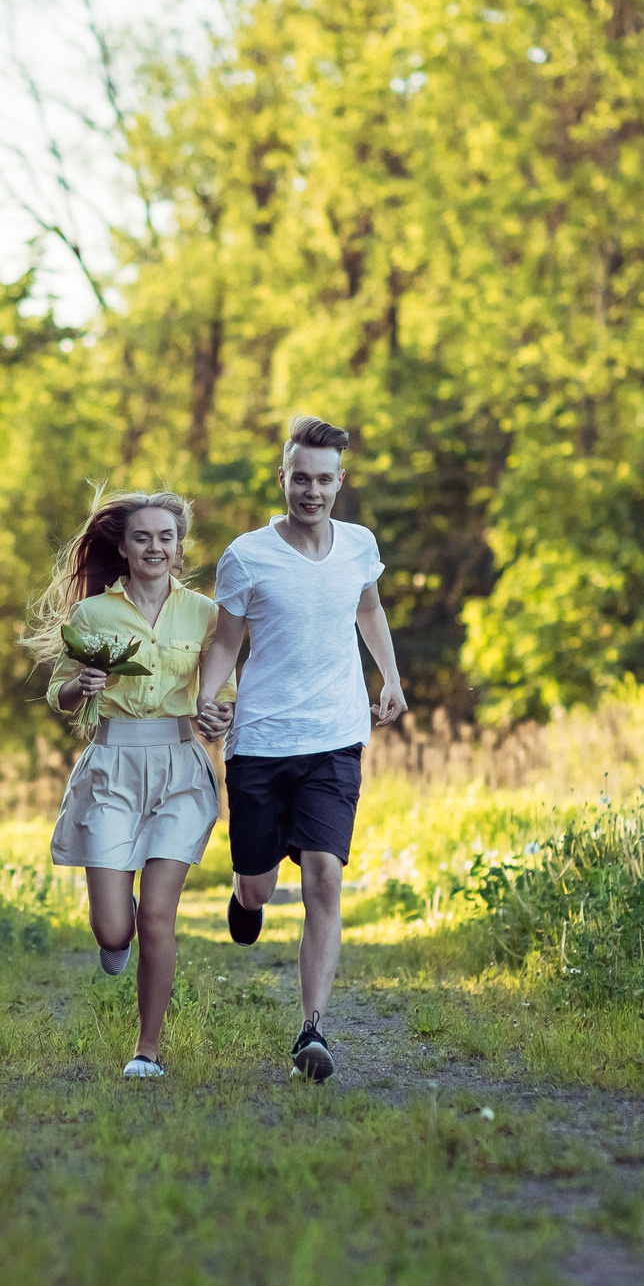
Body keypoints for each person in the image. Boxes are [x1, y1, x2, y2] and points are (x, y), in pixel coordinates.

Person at [194, 415, 406, 1083]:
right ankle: (246, 891)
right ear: (282, 477)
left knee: (324, 875)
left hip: (334, 738)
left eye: (323, 479)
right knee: (261, 886)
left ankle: (311, 1029)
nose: (310, 490)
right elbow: (227, 638)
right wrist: (208, 692)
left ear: (339, 482)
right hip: (259, 742)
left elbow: (368, 608)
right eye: (299, 478)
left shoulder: (359, 546)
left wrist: (392, 678)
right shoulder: (247, 555)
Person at [30, 491, 235, 1080]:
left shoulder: (205, 614)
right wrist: (82, 686)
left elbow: (220, 693)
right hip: (112, 770)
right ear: (123, 546)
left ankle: (147, 1049)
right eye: (143, 537)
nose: (155, 548)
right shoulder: (94, 616)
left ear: (179, 546)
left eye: (166, 537)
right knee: (115, 927)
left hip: (179, 770)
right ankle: (114, 931)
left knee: (158, 919)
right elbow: (58, 693)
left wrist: (219, 715)